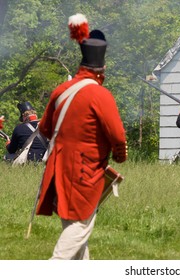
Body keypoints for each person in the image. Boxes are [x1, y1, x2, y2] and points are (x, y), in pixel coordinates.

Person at [36, 13, 127, 260]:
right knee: (79, 226)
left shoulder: (61, 90)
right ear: (103, 66)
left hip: (58, 168)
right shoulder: (100, 95)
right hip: (86, 172)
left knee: (74, 227)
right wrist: (119, 156)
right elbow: (118, 136)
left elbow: (44, 129)